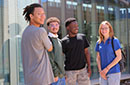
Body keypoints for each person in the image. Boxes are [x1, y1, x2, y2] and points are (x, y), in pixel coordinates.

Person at [21, 3, 54, 85]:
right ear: (31, 16)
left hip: (29, 78)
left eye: (43, 14)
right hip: (42, 78)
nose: (43, 16)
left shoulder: (25, 32)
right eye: (39, 14)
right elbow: (50, 48)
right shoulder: (40, 31)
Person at [61, 18, 91, 85]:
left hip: (83, 70)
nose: (76, 28)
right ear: (68, 27)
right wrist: (63, 72)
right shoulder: (64, 41)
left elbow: (87, 53)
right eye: (74, 26)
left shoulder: (82, 37)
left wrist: (89, 66)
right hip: (69, 72)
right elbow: (61, 57)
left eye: (77, 26)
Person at [95, 21, 122, 85]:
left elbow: (119, 57)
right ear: (100, 30)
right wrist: (101, 71)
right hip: (103, 73)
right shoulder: (99, 43)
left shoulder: (114, 41)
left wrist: (107, 69)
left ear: (110, 29)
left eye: (106, 28)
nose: (104, 30)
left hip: (114, 72)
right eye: (102, 28)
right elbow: (98, 58)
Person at [46, 17, 66, 85]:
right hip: (54, 77)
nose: (54, 27)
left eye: (56, 25)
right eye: (52, 25)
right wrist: (55, 75)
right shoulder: (48, 40)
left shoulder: (58, 40)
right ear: (48, 27)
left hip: (61, 76)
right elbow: (50, 59)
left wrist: (63, 73)